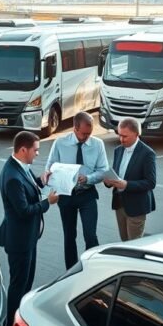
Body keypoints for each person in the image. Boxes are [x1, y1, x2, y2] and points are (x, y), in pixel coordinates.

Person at [0, 130, 58, 326]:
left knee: (27, 282)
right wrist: (46, 203)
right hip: (19, 240)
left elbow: (30, 187)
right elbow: (24, 210)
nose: (37, 154)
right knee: (18, 285)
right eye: (36, 150)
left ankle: (19, 321)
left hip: (28, 238)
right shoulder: (12, 177)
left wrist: (42, 180)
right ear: (23, 149)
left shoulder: (21, 167)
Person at [43, 111, 108, 269]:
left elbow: (103, 170)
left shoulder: (97, 144)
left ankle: (92, 269)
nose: (87, 137)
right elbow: (49, 166)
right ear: (75, 128)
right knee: (69, 236)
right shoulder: (60, 143)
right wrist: (48, 176)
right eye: (84, 134)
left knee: (90, 235)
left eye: (90, 133)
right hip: (66, 197)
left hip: (87, 195)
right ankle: (71, 272)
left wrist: (89, 178)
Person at [103, 118, 156, 241]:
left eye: (125, 136)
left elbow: (150, 182)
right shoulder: (118, 150)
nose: (121, 139)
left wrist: (126, 185)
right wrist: (108, 182)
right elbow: (116, 174)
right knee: (124, 241)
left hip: (136, 206)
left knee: (134, 245)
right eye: (119, 135)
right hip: (119, 204)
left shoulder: (147, 154)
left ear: (137, 134)